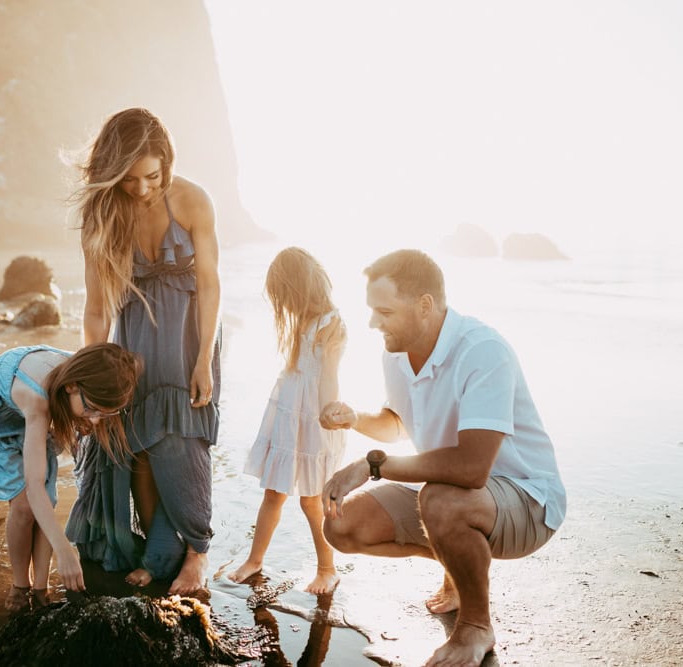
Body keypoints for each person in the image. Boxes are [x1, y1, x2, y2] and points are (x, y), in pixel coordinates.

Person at [319, 249, 566, 667]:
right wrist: (355, 418)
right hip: (458, 495)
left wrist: (372, 465)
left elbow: (471, 469)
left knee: (441, 500)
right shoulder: (395, 353)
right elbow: (398, 422)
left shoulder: (483, 351)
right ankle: (458, 570)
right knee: (341, 526)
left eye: (384, 311)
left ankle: (475, 626)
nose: (372, 323)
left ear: (425, 305)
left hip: (527, 501)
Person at [64, 107, 222, 596]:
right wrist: (96, 378)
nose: (142, 187)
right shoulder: (103, 213)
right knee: (137, 447)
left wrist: (203, 361)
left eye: (151, 175)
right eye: (129, 179)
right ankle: (161, 556)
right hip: (134, 334)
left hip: (189, 334)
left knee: (184, 442)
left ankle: (196, 555)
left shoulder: (193, 200)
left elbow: (212, 285)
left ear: (167, 164)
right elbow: (95, 309)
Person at [0, 343, 142, 612]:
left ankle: (40, 588)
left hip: (35, 413)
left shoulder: (82, 379)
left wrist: (86, 412)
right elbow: (33, 487)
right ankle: (20, 584)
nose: (96, 421)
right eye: (93, 409)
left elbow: (44, 494)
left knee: (47, 503)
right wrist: (64, 550)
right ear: (72, 387)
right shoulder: (38, 400)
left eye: (103, 413)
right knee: (25, 504)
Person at [228, 247, 346, 594]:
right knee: (274, 492)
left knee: (311, 499)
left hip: (314, 418)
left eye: (284, 296)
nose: (284, 306)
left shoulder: (331, 323)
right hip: (288, 414)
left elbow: (330, 375)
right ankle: (255, 559)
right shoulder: (304, 321)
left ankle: (328, 568)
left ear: (298, 289)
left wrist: (329, 412)